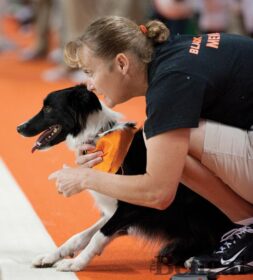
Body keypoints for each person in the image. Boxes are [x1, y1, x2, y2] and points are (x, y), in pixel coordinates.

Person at [49, 16, 253, 274]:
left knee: (167, 142)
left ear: (122, 63)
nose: (90, 85)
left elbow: (157, 193)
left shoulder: (171, 81)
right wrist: (108, 153)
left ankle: (247, 226)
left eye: (90, 72)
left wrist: (85, 178)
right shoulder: (173, 53)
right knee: (164, 144)